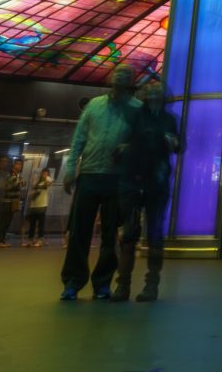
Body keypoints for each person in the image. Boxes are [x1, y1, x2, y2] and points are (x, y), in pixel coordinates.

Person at [59, 65, 143, 301]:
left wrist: (131, 148)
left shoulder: (137, 109)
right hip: (89, 175)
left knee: (111, 235)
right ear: (110, 77)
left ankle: (103, 283)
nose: (120, 75)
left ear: (132, 81)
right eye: (117, 71)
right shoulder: (94, 105)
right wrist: (71, 168)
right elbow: (79, 138)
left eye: (126, 73)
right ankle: (73, 282)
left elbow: (143, 142)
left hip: (118, 178)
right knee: (78, 232)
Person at [115, 75, 182, 302]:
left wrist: (172, 143)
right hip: (137, 180)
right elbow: (123, 141)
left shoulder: (168, 120)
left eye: (157, 90)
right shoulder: (137, 115)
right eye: (150, 89)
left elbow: (178, 145)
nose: (153, 93)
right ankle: (124, 285)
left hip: (153, 181)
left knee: (153, 234)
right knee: (131, 233)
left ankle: (148, 285)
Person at [0, 158, 23, 248]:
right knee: (4, 222)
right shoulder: (10, 174)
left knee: (8, 222)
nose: (19, 166)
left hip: (14, 202)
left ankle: (3, 240)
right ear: (13, 165)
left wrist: (19, 181)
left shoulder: (17, 175)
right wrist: (19, 181)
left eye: (20, 164)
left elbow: (22, 183)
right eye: (17, 164)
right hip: (7, 201)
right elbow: (12, 185)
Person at [24, 167, 52, 247]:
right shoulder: (37, 181)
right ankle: (30, 239)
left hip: (42, 205)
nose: (44, 174)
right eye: (43, 173)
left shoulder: (47, 181)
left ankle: (40, 240)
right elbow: (33, 187)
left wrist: (46, 177)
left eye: (46, 173)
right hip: (34, 205)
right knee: (32, 223)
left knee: (41, 223)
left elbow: (50, 181)